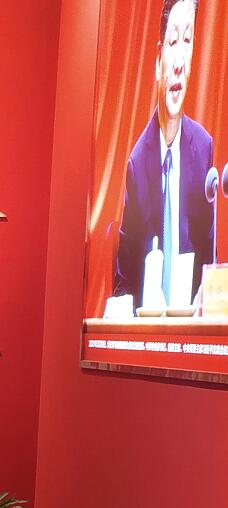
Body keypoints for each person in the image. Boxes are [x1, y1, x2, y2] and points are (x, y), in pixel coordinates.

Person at [112, 0, 214, 313]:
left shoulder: (203, 148)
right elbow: (124, 278)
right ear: (158, 61)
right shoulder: (138, 161)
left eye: (188, 41)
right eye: (173, 42)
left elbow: (208, 254)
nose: (179, 61)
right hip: (149, 326)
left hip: (190, 327)